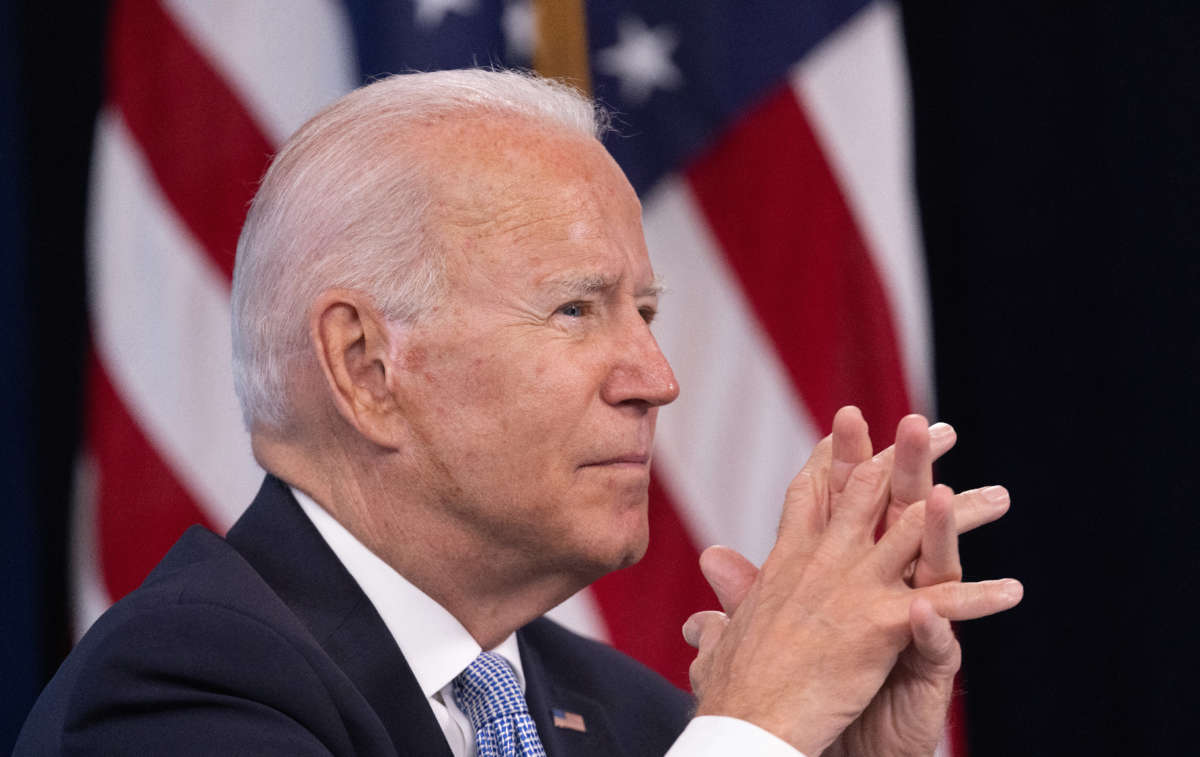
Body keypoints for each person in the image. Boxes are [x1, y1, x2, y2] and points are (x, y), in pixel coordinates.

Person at [16, 69, 1021, 756]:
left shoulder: (630, 717)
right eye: (577, 308)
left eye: (647, 311)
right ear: (366, 365)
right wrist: (755, 728)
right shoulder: (183, 688)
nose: (656, 376)